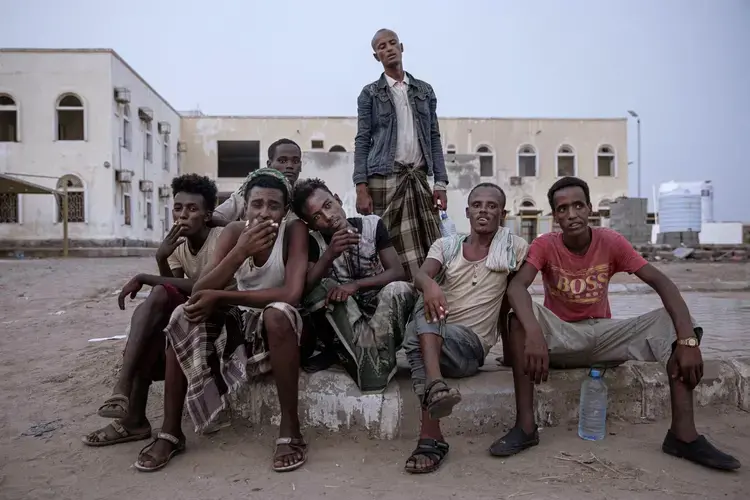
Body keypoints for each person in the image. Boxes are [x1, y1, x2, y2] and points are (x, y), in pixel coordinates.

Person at [492, 176, 741, 471]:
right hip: (561, 339)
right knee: (518, 318)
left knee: (673, 324)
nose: (571, 214)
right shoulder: (545, 245)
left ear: (590, 209)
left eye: (578, 205)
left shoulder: (610, 241)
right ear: (555, 216)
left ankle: (683, 436)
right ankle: (526, 428)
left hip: (603, 336)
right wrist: (534, 333)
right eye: (562, 209)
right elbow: (517, 287)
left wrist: (687, 340)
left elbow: (661, 282)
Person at [133, 168, 310, 473]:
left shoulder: (294, 232)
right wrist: (240, 251)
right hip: (239, 323)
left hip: (279, 325)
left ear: (285, 210)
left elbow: (291, 293)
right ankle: (171, 432)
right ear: (245, 206)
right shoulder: (232, 233)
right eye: (257, 204)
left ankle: (290, 429)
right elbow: (202, 289)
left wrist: (223, 297)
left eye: (273, 205)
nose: (264, 212)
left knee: (278, 313)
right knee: (184, 314)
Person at [82, 174, 223, 447]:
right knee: (147, 324)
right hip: (189, 311)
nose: (183, 215)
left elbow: (199, 287)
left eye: (192, 209)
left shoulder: (219, 238)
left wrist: (148, 276)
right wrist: (161, 258)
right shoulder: (175, 246)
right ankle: (133, 417)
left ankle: (125, 392)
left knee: (155, 296)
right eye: (178, 208)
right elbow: (173, 293)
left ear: (207, 215)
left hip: (219, 311)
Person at [402, 183, 528, 474]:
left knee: (418, 332)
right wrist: (431, 285)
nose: (484, 210)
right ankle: (435, 397)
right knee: (424, 314)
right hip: (437, 334)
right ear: (467, 211)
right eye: (478, 205)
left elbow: (512, 300)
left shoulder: (513, 248)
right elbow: (421, 274)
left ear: (502, 213)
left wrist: (510, 353)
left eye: (492, 205)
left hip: (470, 346)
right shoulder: (446, 246)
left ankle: (431, 436)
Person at [292, 177, 415, 393]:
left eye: (328, 205)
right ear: (311, 225)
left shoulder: (372, 224)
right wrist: (329, 255)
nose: (328, 217)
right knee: (322, 288)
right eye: (317, 217)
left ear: (338, 200)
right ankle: (343, 352)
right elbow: (305, 290)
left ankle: (373, 360)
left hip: (380, 315)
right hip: (344, 322)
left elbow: (397, 272)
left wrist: (356, 285)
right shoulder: (315, 242)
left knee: (401, 289)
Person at [354, 28, 447, 281]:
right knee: (386, 245)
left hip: (417, 179)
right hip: (383, 179)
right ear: (376, 56)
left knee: (430, 244)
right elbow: (362, 139)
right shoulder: (370, 93)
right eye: (382, 46)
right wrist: (361, 187)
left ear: (402, 47)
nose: (389, 48)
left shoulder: (424, 91)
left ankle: (425, 296)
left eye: (392, 43)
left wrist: (441, 183)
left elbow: (434, 137)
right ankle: (393, 298)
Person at [212, 138, 302, 226]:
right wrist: (246, 228)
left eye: (296, 161)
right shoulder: (251, 191)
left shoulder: (303, 196)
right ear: (269, 165)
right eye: (282, 161)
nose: (290, 166)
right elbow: (215, 217)